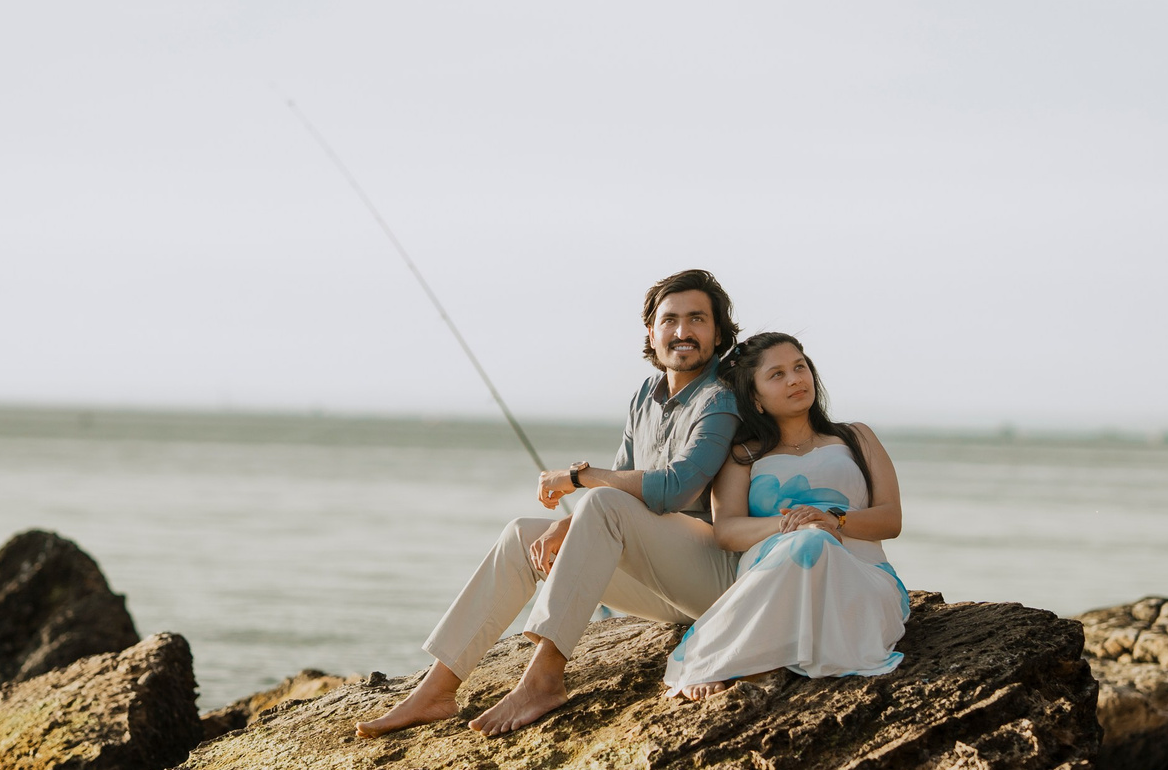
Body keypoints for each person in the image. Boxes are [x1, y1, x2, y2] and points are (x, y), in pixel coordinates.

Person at [359, 269, 745, 740]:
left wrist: (578, 478)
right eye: (670, 320)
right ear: (651, 332)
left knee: (600, 502)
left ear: (718, 333)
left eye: (697, 320)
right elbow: (624, 485)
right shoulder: (646, 395)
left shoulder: (720, 400)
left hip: (715, 581)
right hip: (664, 586)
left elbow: (675, 490)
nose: (682, 332)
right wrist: (575, 523)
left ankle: (544, 678)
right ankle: (437, 689)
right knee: (524, 535)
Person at [666, 333, 908, 697]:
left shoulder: (856, 437)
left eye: (800, 367)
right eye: (777, 374)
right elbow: (726, 531)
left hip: (860, 578)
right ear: (755, 398)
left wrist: (834, 521)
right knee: (806, 539)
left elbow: (891, 520)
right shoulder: (742, 455)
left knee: (815, 539)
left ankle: (737, 656)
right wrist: (788, 525)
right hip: (774, 567)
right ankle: (726, 656)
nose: (796, 378)